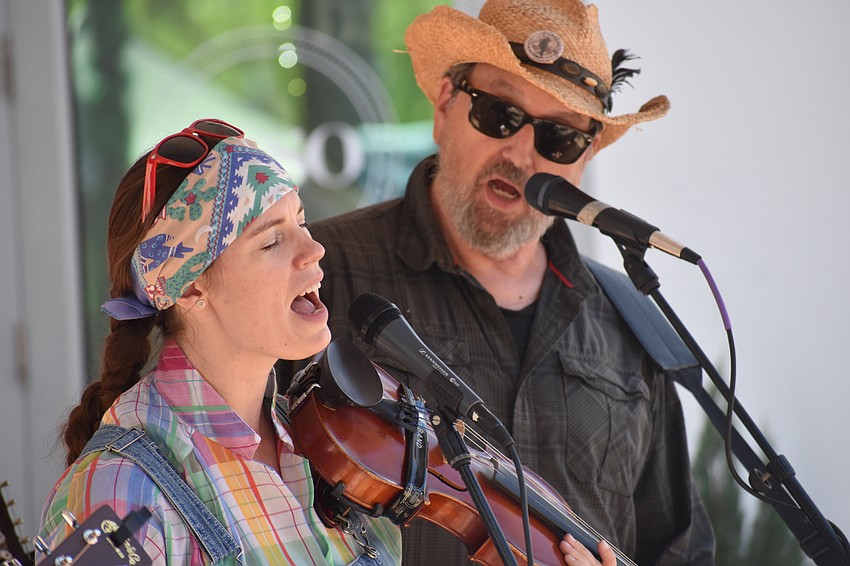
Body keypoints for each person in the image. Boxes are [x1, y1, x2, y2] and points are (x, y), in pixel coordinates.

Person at [291, 0, 717, 564]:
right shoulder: (317, 269)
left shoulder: (632, 321)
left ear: (584, 159)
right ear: (445, 105)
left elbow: (679, 546)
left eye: (559, 138)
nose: (520, 154)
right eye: (499, 114)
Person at [37, 120, 403, 565]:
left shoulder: (319, 442)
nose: (313, 248)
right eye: (271, 241)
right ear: (190, 288)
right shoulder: (122, 495)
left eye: (301, 222)